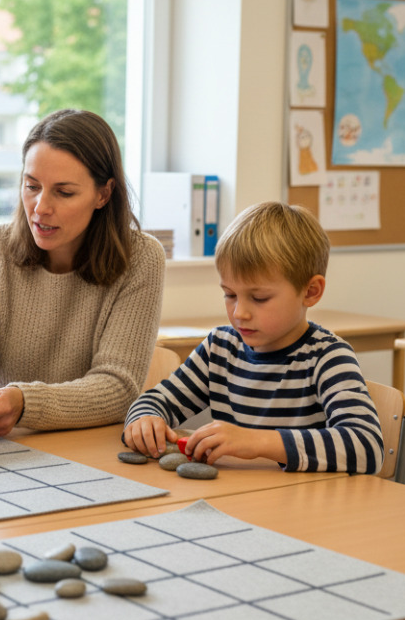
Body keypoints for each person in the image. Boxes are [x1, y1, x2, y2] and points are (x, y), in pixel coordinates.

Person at [0, 108, 166, 436]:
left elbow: (118, 387)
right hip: (15, 443)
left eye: (64, 192)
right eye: (31, 186)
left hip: (91, 443)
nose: (40, 207)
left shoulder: (142, 258)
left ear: (103, 194)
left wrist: (26, 402)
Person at [123, 201, 384, 473]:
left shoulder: (328, 357)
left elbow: (367, 447)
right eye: (230, 294)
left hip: (303, 497)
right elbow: (155, 400)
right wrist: (145, 419)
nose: (239, 313)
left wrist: (258, 442)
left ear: (310, 292)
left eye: (259, 298)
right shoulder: (219, 348)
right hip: (236, 494)